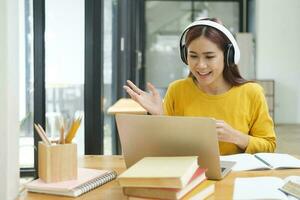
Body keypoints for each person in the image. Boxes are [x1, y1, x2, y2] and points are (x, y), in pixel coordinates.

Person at [123, 18, 276, 155]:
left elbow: (269, 145)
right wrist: (159, 116)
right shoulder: (177, 90)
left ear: (228, 56)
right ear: (185, 55)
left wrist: (237, 137)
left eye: (209, 57)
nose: (201, 65)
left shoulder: (252, 93)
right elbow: (165, 149)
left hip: (236, 179)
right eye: (193, 56)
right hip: (188, 176)